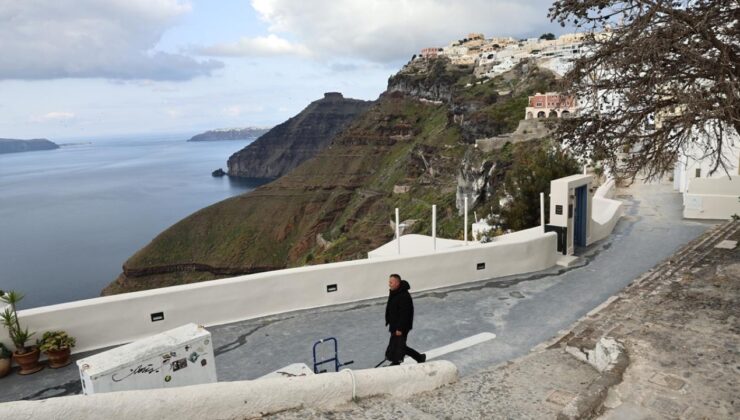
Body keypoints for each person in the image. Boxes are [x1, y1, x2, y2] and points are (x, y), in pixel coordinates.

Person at [384, 273, 426, 365]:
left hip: (401, 326)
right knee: (398, 344)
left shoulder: (404, 296)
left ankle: (396, 362)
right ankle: (419, 357)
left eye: (391, 282)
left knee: (399, 345)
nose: (389, 284)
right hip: (394, 324)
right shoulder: (394, 292)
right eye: (389, 282)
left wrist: (400, 328)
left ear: (397, 283)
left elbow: (405, 314)